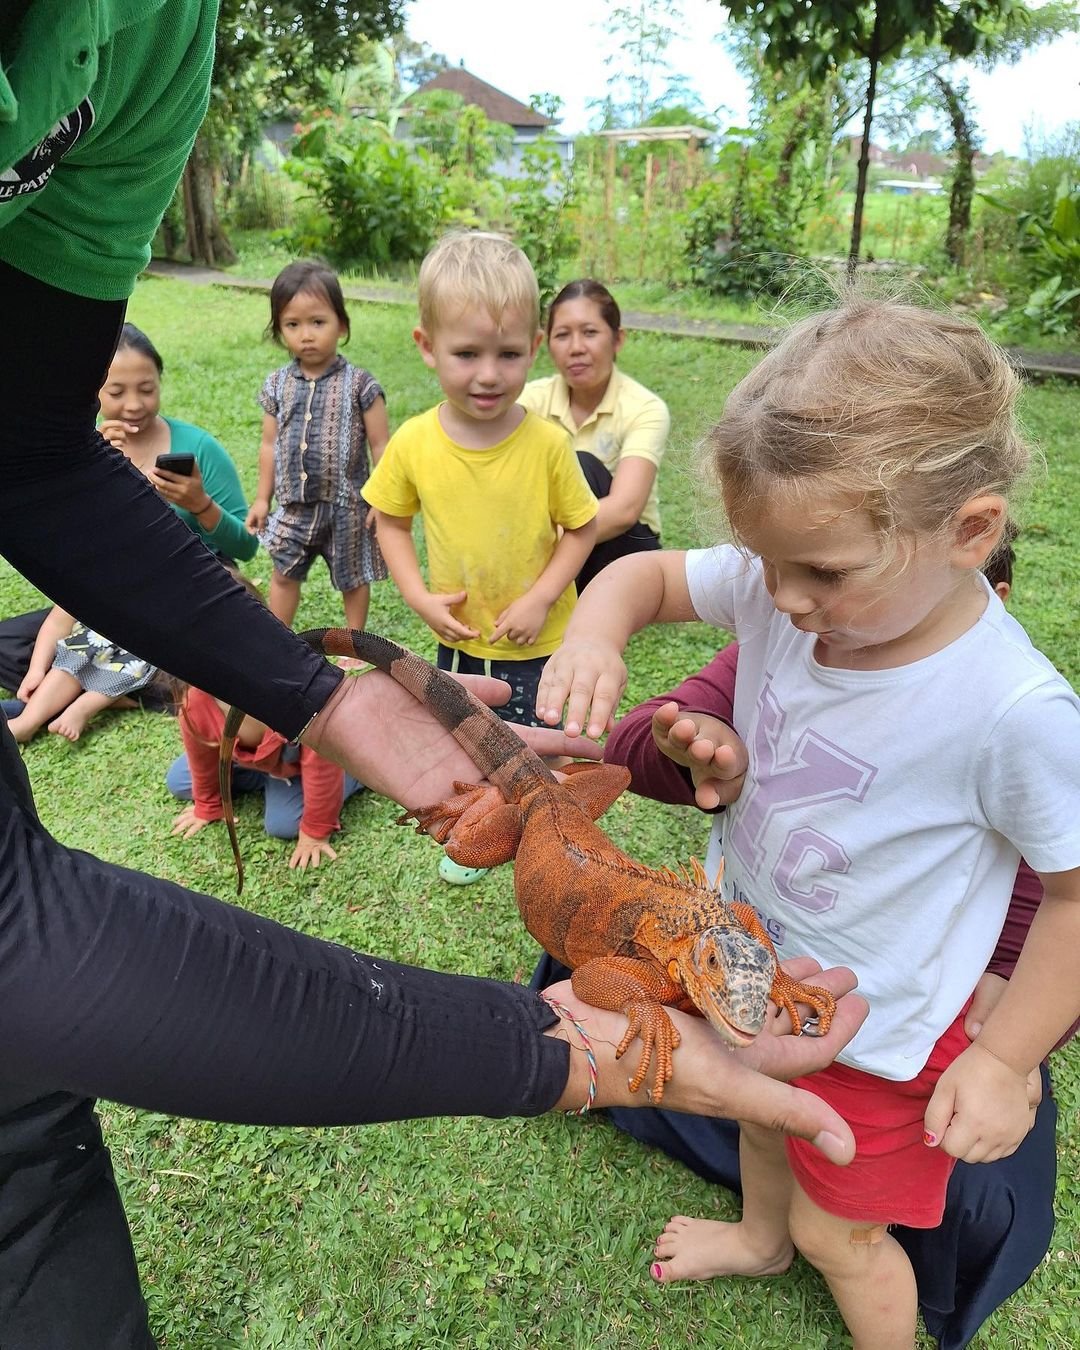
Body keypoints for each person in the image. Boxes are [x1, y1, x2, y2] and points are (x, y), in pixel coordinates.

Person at [0, 9, 868, 1346]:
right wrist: (561, 1048)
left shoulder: (145, 27)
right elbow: (23, 934)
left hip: (579, 837)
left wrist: (332, 694)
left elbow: (30, 449)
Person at [537, 296, 1080, 1350]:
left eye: (820, 573)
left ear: (969, 531)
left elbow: (1074, 896)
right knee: (753, 1116)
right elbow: (644, 576)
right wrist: (598, 634)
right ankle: (758, 1237)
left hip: (886, 1034)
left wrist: (1007, 1060)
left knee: (849, 1234)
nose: (777, 598)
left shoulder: (1013, 711)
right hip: (752, 964)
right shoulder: (788, 577)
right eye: (761, 560)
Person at [363, 232, 598, 883]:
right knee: (472, 736)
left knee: (539, 739)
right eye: (467, 353)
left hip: (540, 637)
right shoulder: (413, 442)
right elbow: (390, 521)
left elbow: (580, 530)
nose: (489, 374)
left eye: (510, 353)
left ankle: (551, 831)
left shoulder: (548, 445)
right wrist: (416, 595)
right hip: (462, 638)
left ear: (535, 349)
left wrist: (542, 595)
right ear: (426, 346)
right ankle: (482, 830)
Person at [0, 322, 256, 700]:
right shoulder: (80, 452)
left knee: (200, 643)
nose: (134, 404)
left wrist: (200, 505)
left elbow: (246, 548)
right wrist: (89, 472)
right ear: (93, 393)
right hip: (109, 588)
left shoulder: (199, 447)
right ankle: (118, 686)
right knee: (6, 643)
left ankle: (94, 687)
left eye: (147, 389)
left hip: (186, 587)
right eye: (117, 392)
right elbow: (68, 546)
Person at [166, 575, 364, 871]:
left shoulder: (295, 692)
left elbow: (320, 761)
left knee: (283, 824)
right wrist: (208, 805)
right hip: (259, 761)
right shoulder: (195, 699)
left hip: (320, 755)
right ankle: (271, 776)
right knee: (180, 780)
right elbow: (201, 753)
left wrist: (314, 831)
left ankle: (357, 771)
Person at [246, 261, 389, 631]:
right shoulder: (277, 384)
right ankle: (279, 640)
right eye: (293, 325)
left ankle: (355, 643)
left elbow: (381, 445)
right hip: (295, 505)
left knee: (353, 578)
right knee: (283, 570)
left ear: (341, 325)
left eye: (318, 322)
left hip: (349, 505)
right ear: (279, 330)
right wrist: (263, 499)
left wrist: (382, 500)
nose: (305, 335)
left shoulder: (361, 385)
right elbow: (269, 444)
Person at [520, 279, 669, 590]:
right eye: (562, 335)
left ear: (617, 340)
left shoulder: (645, 408)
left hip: (624, 548)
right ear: (546, 345)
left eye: (589, 333)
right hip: (553, 532)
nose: (576, 348)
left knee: (580, 465)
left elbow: (625, 509)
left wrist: (534, 542)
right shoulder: (531, 400)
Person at [4, 602, 157, 743]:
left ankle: (80, 707)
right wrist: (36, 669)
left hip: (149, 649)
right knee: (87, 647)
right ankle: (31, 718)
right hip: (96, 634)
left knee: (137, 662)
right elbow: (57, 622)